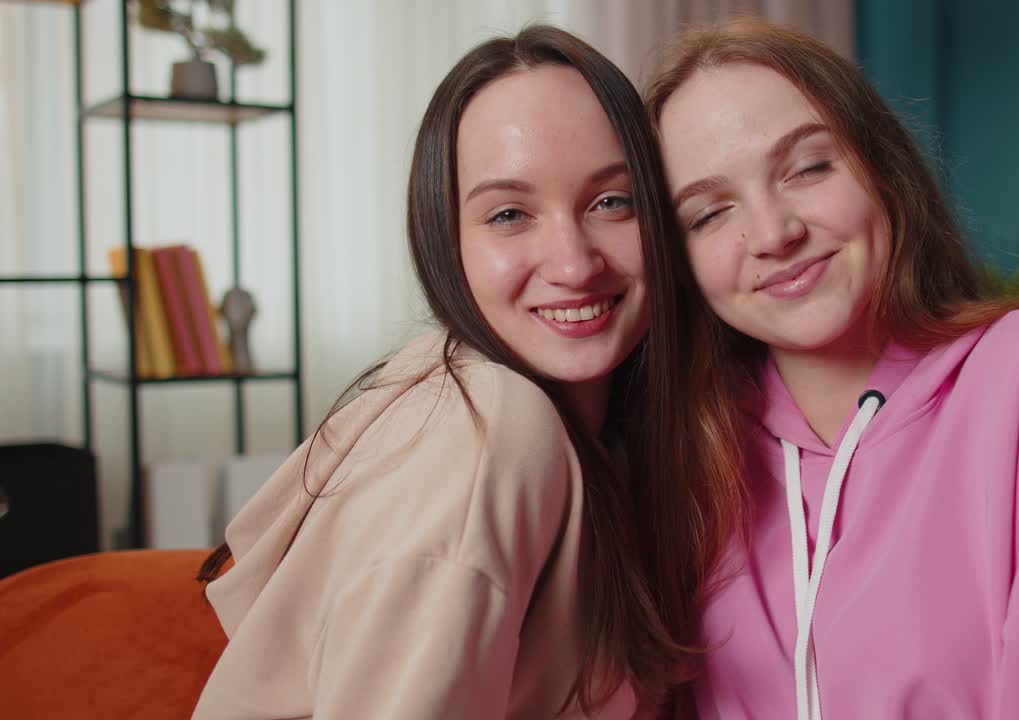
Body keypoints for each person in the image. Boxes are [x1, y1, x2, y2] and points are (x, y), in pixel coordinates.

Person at [642, 17, 1019, 720]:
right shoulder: (692, 455)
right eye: (709, 213)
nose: (773, 234)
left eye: (808, 168)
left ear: (881, 169)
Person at [192, 25, 697, 719]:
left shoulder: (611, 433)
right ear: (445, 241)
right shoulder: (492, 428)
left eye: (612, 201)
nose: (575, 263)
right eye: (510, 214)